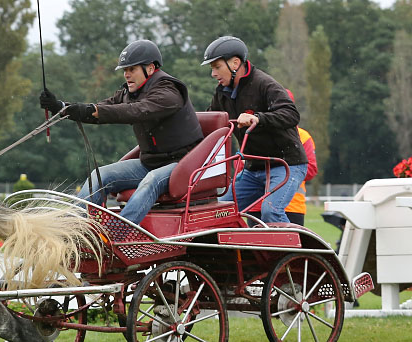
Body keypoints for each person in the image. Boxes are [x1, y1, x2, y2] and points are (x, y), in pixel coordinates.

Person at [39, 39, 204, 224]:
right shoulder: (128, 92)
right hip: (150, 163)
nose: (126, 75)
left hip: (182, 166)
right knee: (100, 175)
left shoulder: (168, 92)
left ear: (150, 68)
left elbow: (136, 110)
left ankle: (120, 233)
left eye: (132, 69)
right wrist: (62, 107)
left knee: (151, 181)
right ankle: (74, 227)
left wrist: (92, 110)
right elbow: (100, 109)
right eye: (125, 70)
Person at [202, 35, 308, 224]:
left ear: (235, 63)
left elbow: (291, 114)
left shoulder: (264, 84)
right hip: (253, 168)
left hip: (287, 164)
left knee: (271, 212)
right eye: (212, 68)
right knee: (218, 213)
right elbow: (211, 123)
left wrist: (258, 118)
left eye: (217, 67)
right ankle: (237, 253)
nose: (213, 74)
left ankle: (298, 253)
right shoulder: (221, 93)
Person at [245, 91, 318, 226]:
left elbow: (311, 169)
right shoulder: (254, 133)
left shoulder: (303, 136)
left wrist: (278, 170)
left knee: (286, 244)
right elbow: (242, 165)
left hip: (291, 205)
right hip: (256, 204)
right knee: (258, 246)